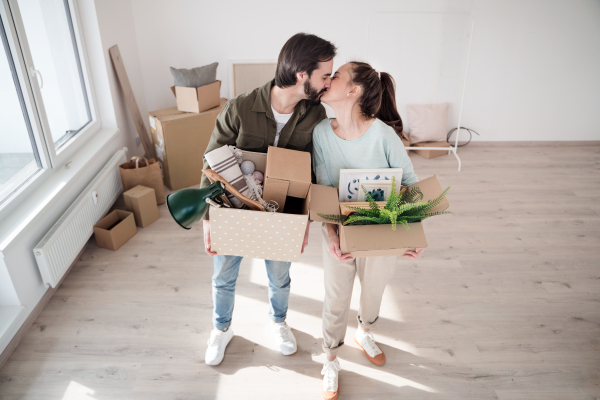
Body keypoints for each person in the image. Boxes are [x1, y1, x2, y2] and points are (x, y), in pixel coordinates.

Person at [200, 33, 337, 366]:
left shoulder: (315, 116)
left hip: (283, 213)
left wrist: (305, 221)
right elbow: (210, 163)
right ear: (302, 74)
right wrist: (208, 222)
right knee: (224, 276)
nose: (328, 83)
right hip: (233, 210)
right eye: (325, 75)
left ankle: (278, 322)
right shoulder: (240, 107)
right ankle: (221, 328)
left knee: (279, 277)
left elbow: (314, 174)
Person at [312, 61, 424, 400]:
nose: (328, 79)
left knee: (374, 288)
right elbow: (324, 189)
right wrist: (332, 236)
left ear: (353, 90)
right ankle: (330, 358)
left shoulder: (382, 135)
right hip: (340, 228)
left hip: (381, 229)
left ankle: (365, 331)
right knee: (336, 296)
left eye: (337, 75)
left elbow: (411, 185)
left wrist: (410, 234)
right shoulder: (320, 133)